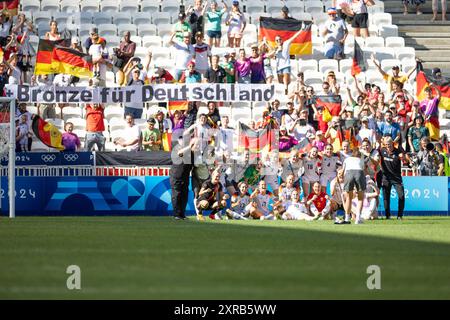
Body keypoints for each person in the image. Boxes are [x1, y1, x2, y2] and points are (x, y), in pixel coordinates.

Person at [265, 28, 305, 94]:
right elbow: (270, 56)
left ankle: (286, 91)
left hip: (286, 65)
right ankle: (284, 93)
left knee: (285, 83)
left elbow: (294, 37)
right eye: (277, 40)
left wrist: (301, 29)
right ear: (275, 41)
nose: (278, 41)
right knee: (281, 83)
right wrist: (274, 49)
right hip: (278, 68)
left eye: (279, 39)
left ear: (282, 40)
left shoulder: (286, 43)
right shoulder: (275, 48)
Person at [379, 137, 408, 219]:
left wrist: (403, 157)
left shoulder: (398, 151)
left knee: (401, 196)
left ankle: (400, 215)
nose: (388, 146)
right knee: (386, 197)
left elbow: (406, 161)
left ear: (392, 143)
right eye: (386, 144)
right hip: (386, 177)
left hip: (396, 178)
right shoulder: (382, 150)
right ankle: (388, 215)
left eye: (389, 144)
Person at [342, 148, 366, 224]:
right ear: (359, 155)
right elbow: (363, 170)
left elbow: (342, 171)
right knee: (360, 198)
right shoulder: (361, 160)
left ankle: (347, 218)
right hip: (359, 172)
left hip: (348, 173)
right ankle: (358, 218)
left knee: (348, 197)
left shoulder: (347, 159)